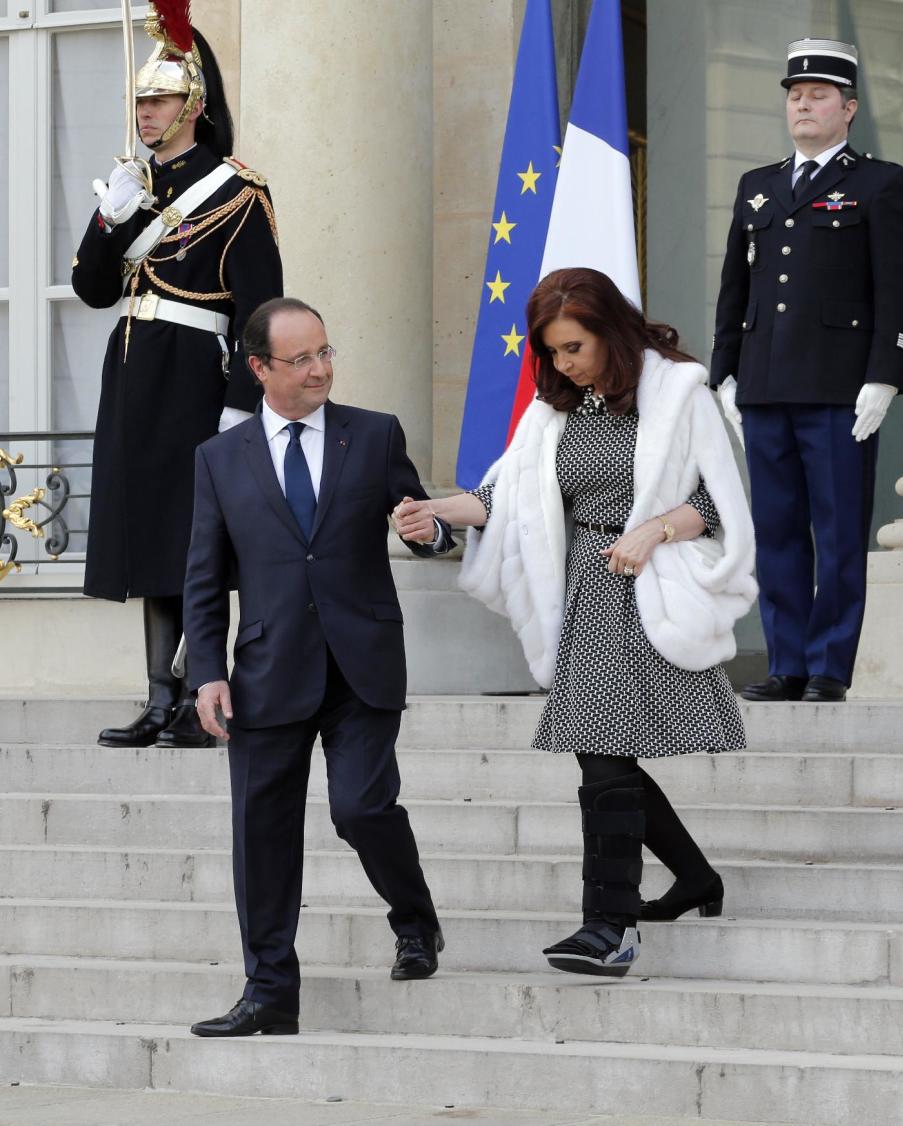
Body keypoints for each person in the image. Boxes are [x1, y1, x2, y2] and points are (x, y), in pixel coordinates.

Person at [394, 268, 757, 977]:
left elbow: (721, 505)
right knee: (606, 753)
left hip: (649, 583)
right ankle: (693, 880)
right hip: (587, 591)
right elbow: (505, 497)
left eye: (574, 347)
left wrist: (653, 530)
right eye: (552, 352)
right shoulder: (554, 409)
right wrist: (436, 510)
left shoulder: (679, 392)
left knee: (604, 756)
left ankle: (608, 925)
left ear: (611, 332)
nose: (563, 364)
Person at [183, 297, 454, 1036]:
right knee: (261, 833)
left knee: (361, 808)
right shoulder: (219, 459)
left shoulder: (373, 435)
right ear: (260, 368)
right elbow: (204, 577)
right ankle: (270, 992)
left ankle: (415, 919)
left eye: (326, 352)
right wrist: (205, 670)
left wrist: (426, 531)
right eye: (301, 359)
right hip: (268, 671)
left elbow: (425, 524)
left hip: (362, 662)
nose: (320, 370)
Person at [72, 3, 283, 748]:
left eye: (157, 100)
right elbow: (94, 291)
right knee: (149, 538)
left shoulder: (236, 192)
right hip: (133, 375)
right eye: (139, 101)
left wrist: (240, 405)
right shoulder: (132, 186)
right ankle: (160, 696)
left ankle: (203, 694)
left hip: (196, 377)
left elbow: (260, 312)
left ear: (193, 105)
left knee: (196, 544)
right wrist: (108, 223)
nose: (145, 113)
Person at [710, 39, 903, 704]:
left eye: (818, 95)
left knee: (835, 534)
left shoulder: (880, 184)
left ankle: (829, 666)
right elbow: (734, 290)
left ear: (849, 108)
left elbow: (898, 289)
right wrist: (725, 373)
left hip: (839, 387)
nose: (802, 103)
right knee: (775, 533)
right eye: (794, 96)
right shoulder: (759, 186)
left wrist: (885, 376)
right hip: (766, 384)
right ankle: (787, 663)